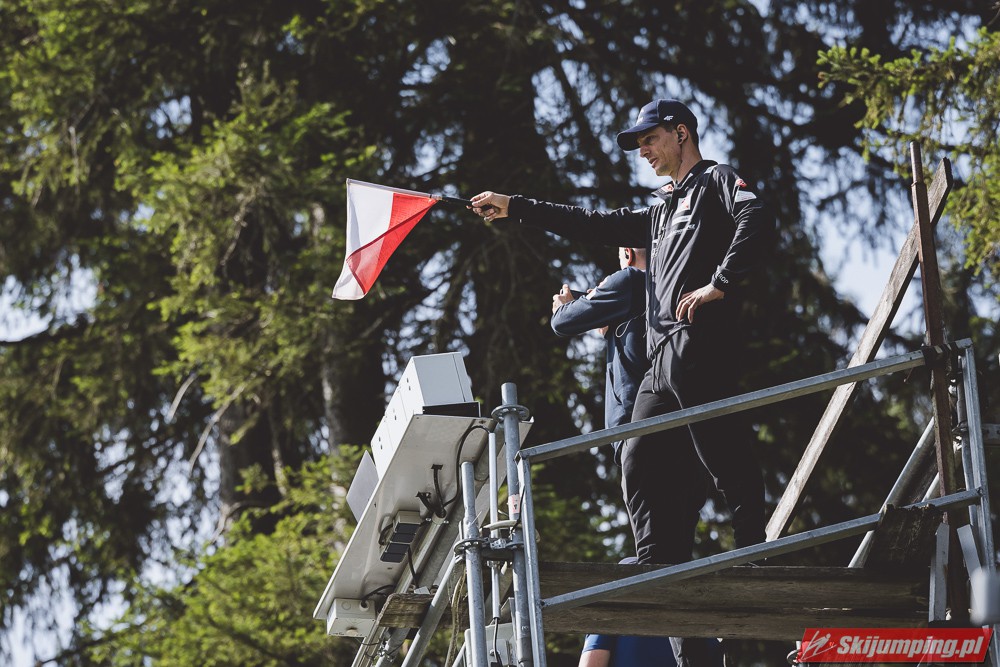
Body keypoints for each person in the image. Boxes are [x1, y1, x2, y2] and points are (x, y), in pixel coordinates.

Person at [472, 98, 772, 667]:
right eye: (637, 144)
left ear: (681, 133)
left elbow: (756, 217)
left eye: (649, 140)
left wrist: (720, 283)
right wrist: (514, 207)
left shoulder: (716, 180)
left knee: (720, 447)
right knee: (637, 452)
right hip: (660, 356)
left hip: (700, 342)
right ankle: (653, 558)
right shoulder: (659, 211)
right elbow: (590, 222)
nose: (643, 152)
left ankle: (753, 552)